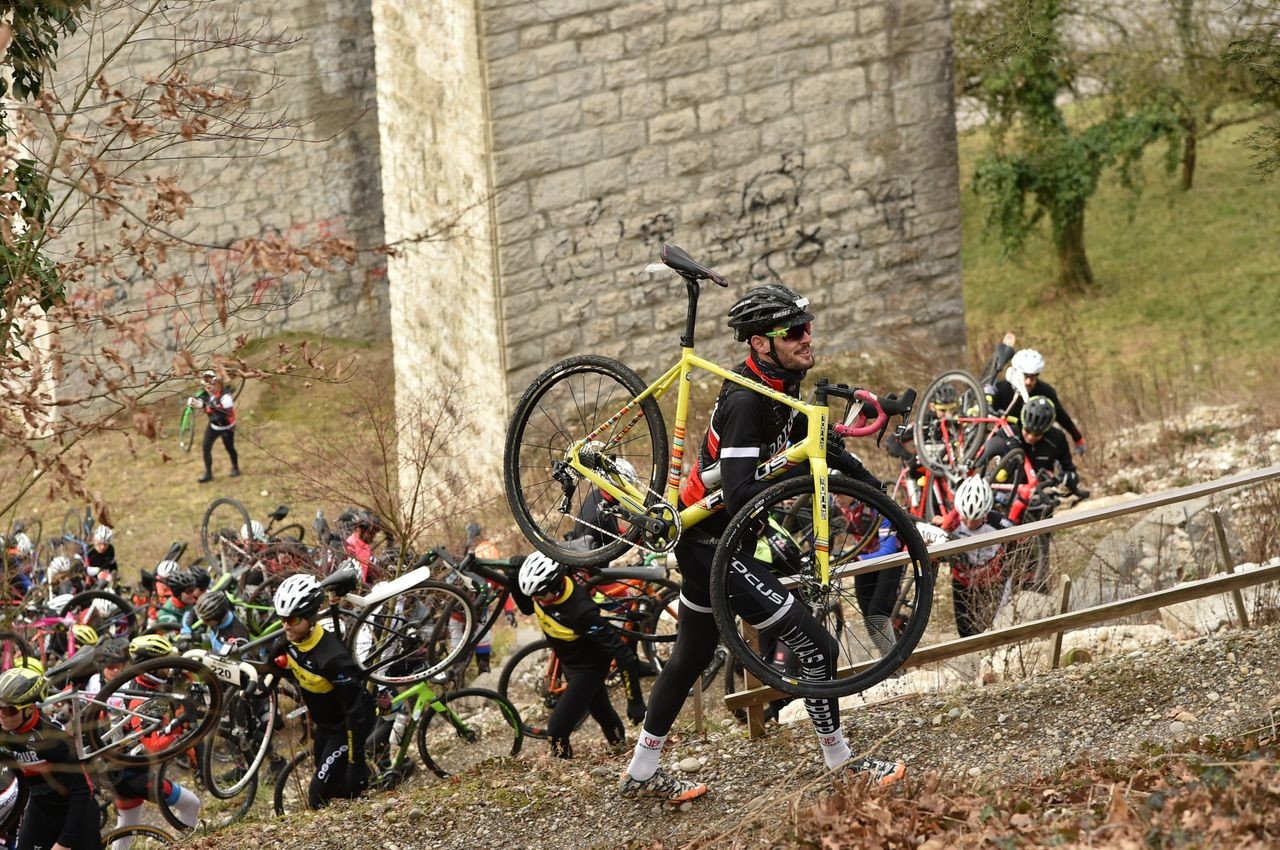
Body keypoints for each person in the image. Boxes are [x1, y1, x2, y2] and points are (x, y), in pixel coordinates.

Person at [619, 284, 905, 805]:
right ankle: (842, 766)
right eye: (794, 332)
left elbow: (823, 448)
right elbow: (741, 491)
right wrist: (797, 463)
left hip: (722, 538)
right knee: (817, 645)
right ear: (759, 343)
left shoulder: (778, 389)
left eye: (808, 327)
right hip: (710, 541)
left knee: (691, 654)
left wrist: (878, 492)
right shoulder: (748, 401)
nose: (807, 338)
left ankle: (641, 771)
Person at [509, 552, 646, 759]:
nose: (535, 600)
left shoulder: (581, 612)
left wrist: (634, 700)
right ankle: (621, 751)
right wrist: (513, 576)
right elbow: (527, 607)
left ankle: (564, 771)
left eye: (539, 595)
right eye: (532, 595)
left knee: (556, 731)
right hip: (569, 661)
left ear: (556, 587)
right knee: (602, 711)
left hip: (588, 670)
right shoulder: (541, 592)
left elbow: (621, 653)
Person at [273, 574, 374, 808]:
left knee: (317, 795)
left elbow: (356, 713)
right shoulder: (291, 638)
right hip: (325, 725)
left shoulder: (332, 659)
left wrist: (356, 761)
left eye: (293, 619)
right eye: (282, 619)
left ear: (310, 618)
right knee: (333, 784)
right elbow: (274, 666)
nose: (286, 625)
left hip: (347, 725)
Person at [0, 666, 102, 850]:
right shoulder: (5, 727)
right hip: (41, 809)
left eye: (9, 711)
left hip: (76, 811)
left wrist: (64, 843)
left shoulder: (54, 740)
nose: (2, 716)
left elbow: (83, 791)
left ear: (30, 709)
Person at [977, 395, 1089, 523]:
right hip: (1004, 493)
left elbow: (1068, 469)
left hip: (1037, 498)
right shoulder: (1008, 433)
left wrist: (1067, 480)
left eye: (1037, 434)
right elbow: (983, 459)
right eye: (1028, 430)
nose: (1030, 437)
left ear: (1046, 430)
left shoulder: (1057, 438)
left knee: (1040, 535)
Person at [932, 476, 1015, 637]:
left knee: (994, 630)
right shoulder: (950, 523)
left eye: (975, 519)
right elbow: (934, 552)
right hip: (963, 582)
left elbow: (1022, 544)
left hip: (994, 582)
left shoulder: (1001, 523)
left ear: (985, 514)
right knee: (965, 634)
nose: (969, 523)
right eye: (965, 517)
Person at [985, 344, 1086, 455]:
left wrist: (1077, 437)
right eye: (1026, 376)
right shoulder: (1002, 389)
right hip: (1004, 435)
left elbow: (1060, 415)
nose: (1029, 381)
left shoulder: (1045, 391)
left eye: (1033, 377)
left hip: (1030, 438)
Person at [190, 369, 239, 483]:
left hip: (226, 427)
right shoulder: (207, 395)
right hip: (213, 426)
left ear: (218, 382)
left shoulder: (225, 396)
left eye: (211, 383)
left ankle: (235, 468)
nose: (209, 387)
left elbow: (226, 413)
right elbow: (202, 403)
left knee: (229, 448)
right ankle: (208, 473)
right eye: (206, 385)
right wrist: (194, 403)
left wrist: (210, 406)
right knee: (206, 448)